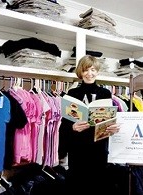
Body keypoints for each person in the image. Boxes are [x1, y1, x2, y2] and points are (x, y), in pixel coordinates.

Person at [58, 55, 120, 195]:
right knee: (78, 186)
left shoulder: (105, 93)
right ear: (80, 72)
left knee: (98, 186)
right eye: (86, 70)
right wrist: (72, 127)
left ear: (97, 71)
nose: (89, 74)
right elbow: (65, 124)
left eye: (93, 70)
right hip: (78, 151)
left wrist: (113, 128)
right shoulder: (72, 93)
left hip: (99, 149)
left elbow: (108, 121)